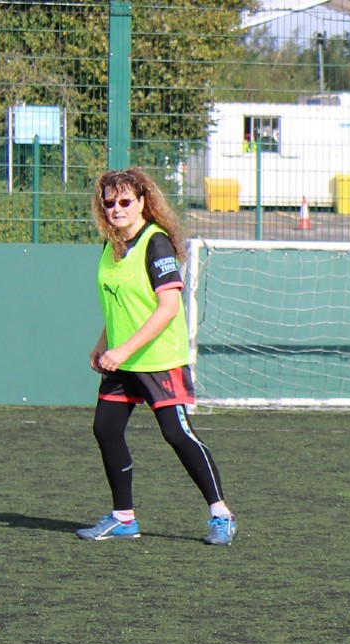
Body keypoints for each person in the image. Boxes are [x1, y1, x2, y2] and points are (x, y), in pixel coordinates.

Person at [77, 167, 236, 545]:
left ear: (143, 203)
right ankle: (124, 517)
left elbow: (166, 308)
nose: (117, 208)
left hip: (157, 360)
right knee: (106, 428)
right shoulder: (111, 246)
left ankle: (221, 515)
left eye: (125, 201)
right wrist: (103, 343)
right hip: (122, 360)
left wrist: (123, 349)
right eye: (109, 201)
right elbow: (121, 302)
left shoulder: (156, 243)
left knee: (177, 434)